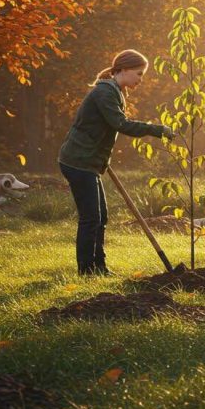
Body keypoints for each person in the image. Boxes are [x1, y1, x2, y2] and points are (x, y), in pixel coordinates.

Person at [58, 49, 173, 276]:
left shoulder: (115, 91)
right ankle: (86, 271)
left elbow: (102, 126)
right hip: (78, 161)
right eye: (139, 74)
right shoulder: (105, 92)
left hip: (90, 160)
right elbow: (120, 124)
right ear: (124, 70)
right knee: (91, 218)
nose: (141, 79)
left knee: (101, 217)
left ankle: (99, 267)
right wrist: (157, 130)